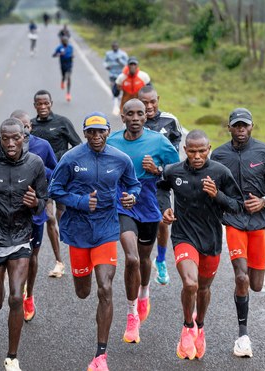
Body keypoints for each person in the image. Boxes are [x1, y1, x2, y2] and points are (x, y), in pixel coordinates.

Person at [48, 112, 141, 371]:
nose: (97, 136)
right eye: (92, 132)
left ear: (108, 132)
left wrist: (131, 197)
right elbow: (53, 190)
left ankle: (101, 355)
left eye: (101, 131)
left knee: (105, 288)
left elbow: (133, 185)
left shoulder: (120, 159)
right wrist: (79, 202)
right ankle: (88, 291)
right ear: (85, 133)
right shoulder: (71, 158)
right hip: (77, 231)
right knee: (83, 291)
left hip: (106, 229)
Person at [211, 108, 265, 358]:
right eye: (236, 126)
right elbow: (212, 189)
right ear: (229, 128)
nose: (240, 130)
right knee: (241, 278)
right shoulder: (219, 155)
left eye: (244, 125)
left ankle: (244, 296)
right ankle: (243, 336)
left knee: (256, 284)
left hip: (259, 225)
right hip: (234, 222)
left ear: (252, 127)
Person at [157, 129, 244, 361]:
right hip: (183, 236)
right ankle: (187, 327)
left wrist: (217, 195)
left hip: (211, 240)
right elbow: (161, 186)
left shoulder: (220, 172)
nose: (197, 156)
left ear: (209, 149)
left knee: (204, 289)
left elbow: (237, 205)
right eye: (192, 151)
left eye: (202, 151)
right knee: (190, 283)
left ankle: (200, 326)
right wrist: (165, 207)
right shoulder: (173, 171)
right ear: (185, 150)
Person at [0, 118, 48, 371]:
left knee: (16, 298)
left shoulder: (35, 163)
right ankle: (4, 284)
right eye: (6, 138)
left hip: (20, 239)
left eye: (16, 138)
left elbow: (43, 200)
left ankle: (12, 356)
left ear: (24, 137)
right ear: (1, 138)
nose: (11, 143)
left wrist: (34, 203)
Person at [106, 99, 179, 343]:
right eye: (130, 114)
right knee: (131, 258)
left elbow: (177, 167)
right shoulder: (112, 141)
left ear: (145, 117)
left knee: (145, 258)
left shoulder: (158, 141)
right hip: (124, 202)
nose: (135, 117)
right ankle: (131, 313)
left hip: (148, 202)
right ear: (123, 117)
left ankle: (144, 292)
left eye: (140, 113)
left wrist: (158, 169)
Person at [10, 110, 58, 323]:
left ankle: (29, 296)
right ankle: (17, 294)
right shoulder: (3, 147)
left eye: (28, 125)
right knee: (15, 257)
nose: (26, 129)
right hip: (11, 213)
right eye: (21, 126)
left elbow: (55, 173)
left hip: (36, 212)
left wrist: (38, 168)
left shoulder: (42, 146)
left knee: (32, 256)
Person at [31, 89, 82, 278]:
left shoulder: (62, 122)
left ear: (51, 103)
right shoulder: (32, 126)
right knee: (49, 217)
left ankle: (74, 253)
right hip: (41, 179)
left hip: (61, 176)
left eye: (46, 103)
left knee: (62, 218)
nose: (43, 107)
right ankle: (59, 262)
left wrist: (62, 159)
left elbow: (77, 145)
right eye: (39, 104)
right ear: (34, 105)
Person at [137, 85, 183, 286]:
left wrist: (158, 169)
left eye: (152, 101)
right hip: (139, 183)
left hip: (160, 182)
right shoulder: (134, 121)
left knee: (163, 222)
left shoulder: (170, 121)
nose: (149, 106)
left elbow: (175, 159)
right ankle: (142, 262)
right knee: (141, 226)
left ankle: (161, 260)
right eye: (144, 102)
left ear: (158, 99)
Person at [103, 41, 128, 116]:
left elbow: (127, 64)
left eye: (116, 46)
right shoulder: (108, 54)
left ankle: (121, 104)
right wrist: (106, 66)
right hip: (112, 75)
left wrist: (120, 61)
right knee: (114, 91)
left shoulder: (123, 54)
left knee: (122, 92)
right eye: (113, 46)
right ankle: (115, 105)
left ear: (118, 46)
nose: (115, 47)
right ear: (111, 47)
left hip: (121, 76)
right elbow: (105, 62)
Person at [52, 36, 74, 102]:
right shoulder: (59, 47)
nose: (65, 42)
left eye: (66, 41)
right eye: (64, 41)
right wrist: (59, 54)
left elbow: (72, 54)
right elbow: (53, 55)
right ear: (62, 42)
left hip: (69, 65)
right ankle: (62, 81)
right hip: (63, 64)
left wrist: (72, 56)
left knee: (69, 77)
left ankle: (68, 94)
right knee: (64, 76)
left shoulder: (70, 47)